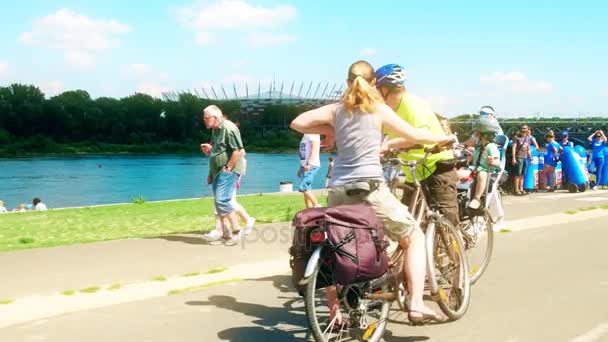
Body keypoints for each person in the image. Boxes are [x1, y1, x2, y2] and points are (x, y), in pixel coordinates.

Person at [290, 60, 454, 325]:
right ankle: (415, 304)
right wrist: (442, 139)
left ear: (346, 83)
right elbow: (414, 134)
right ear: (375, 84)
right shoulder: (378, 110)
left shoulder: (336, 110)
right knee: (413, 236)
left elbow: (297, 122)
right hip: (369, 188)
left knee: (335, 244)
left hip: (338, 188)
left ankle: (335, 314)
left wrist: (331, 130)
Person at [374, 64, 459, 227]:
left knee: (446, 219)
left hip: (436, 165)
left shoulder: (412, 104)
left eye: (377, 89)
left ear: (385, 89)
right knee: (409, 222)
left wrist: (389, 145)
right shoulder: (389, 109)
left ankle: (457, 250)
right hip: (414, 172)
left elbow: (419, 137)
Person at [200, 105, 248, 246]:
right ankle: (226, 235)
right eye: (204, 118)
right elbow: (217, 151)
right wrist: (211, 172)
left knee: (222, 201)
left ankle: (236, 230)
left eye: (206, 118)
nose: (204, 120)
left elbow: (237, 150)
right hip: (217, 171)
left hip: (227, 170)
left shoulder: (229, 128)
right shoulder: (216, 130)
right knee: (218, 203)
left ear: (215, 118)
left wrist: (228, 167)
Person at [465, 117, 502, 210]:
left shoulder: (491, 147)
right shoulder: (478, 147)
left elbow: (498, 161)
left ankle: (477, 198)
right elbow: (473, 158)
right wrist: (469, 155)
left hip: (486, 170)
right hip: (475, 168)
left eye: (477, 133)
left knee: (482, 176)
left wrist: (493, 161)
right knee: (459, 174)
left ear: (484, 135)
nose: (475, 135)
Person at [297, 134, 321, 208]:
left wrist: (310, 163)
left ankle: (317, 206)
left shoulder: (313, 133)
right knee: (307, 189)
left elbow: (315, 149)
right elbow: (303, 153)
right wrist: (300, 168)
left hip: (311, 165)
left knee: (303, 187)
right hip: (304, 166)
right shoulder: (305, 134)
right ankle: (308, 209)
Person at [511, 125, 533, 195]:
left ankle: (521, 189)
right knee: (517, 174)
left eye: (525, 128)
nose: (524, 129)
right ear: (520, 129)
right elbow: (514, 148)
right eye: (522, 128)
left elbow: (528, 149)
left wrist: (531, 159)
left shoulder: (527, 138)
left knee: (523, 174)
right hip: (519, 157)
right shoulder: (516, 137)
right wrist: (514, 158)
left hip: (525, 158)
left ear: (527, 129)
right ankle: (516, 190)